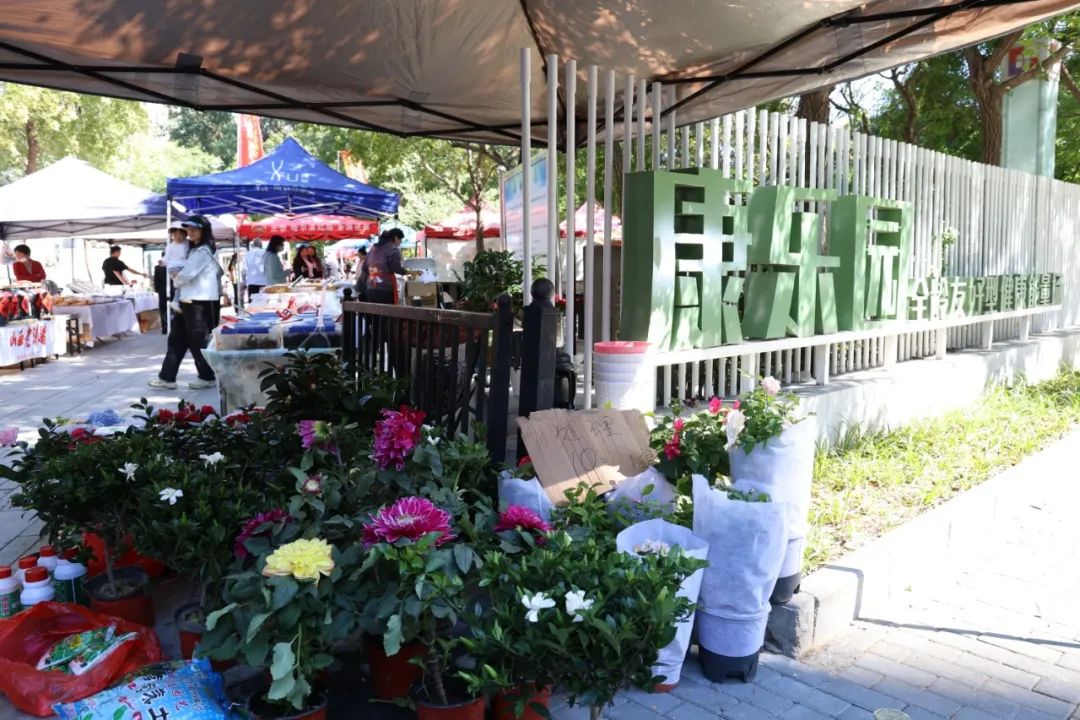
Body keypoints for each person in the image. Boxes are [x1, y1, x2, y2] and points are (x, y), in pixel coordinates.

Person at [149, 215, 223, 390]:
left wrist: (176, 278)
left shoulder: (204, 250)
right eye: (188, 228)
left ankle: (207, 376)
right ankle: (167, 377)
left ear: (203, 230)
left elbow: (187, 273)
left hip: (198, 301)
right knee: (177, 339)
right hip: (188, 299)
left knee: (197, 340)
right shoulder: (195, 249)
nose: (190, 232)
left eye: (194, 229)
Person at [358, 229, 406, 304]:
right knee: (386, 311)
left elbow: (364, 269)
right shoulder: (393, 249)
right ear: (396, 238)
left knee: (374, 311)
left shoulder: (372, 249)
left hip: (370, 287)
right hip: (385, 288)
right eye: (400, 239)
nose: (401, 242)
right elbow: (397, 269)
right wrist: (409, 272)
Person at [153, 259, 168, 335]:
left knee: (162, 309)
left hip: (162, 291)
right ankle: (172, 325)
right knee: (170, 309)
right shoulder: (172, 266)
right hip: (171, 290)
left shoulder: (157, 268)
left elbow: (156, 280)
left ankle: (164, 327)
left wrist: (157, 289)